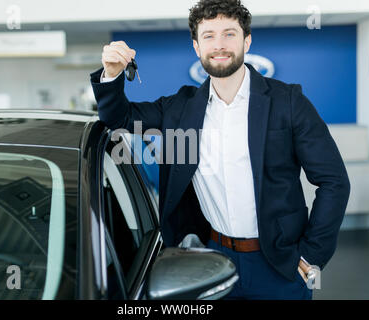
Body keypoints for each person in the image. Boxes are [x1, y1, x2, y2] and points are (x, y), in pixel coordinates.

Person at [90, 0, 350, 300]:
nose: (220, 44)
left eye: (229, 33)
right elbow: (119, 120)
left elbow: (334, 181)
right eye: (209, 36)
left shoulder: (288, 102)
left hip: (280, 264)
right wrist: (111, 73)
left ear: (246, 40)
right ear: (197, 47)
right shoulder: (180, 108)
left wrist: (310, 254)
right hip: (213, 261)